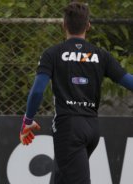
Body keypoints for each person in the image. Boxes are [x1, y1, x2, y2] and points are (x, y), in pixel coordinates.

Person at [19, 2, 133, 184]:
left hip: (69, 129)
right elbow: (129, 81)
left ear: (64, 24)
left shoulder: (53, 54)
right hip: (92, 127)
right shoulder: (101, 55)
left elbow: (37, 91)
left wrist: (28, 120)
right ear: (88, 25)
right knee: (62, 178)